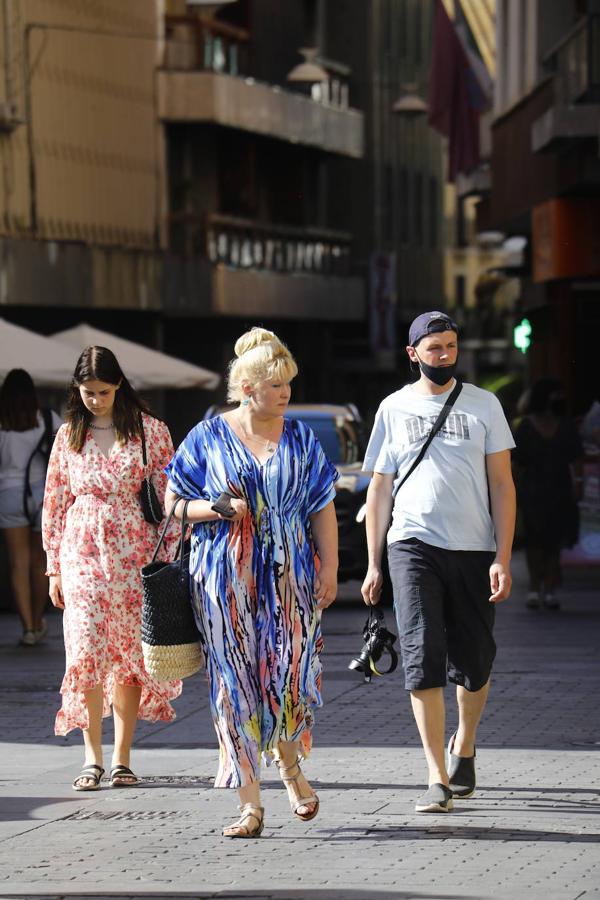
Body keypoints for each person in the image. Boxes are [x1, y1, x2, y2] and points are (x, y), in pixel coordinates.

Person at [164, 326, 339, 838]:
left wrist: (329, 567)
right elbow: (172, 503)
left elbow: (322, 506)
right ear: (247, 388)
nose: (286, 393)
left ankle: (289, 771)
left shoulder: (301, 436)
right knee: (233, 683)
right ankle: (249, 804)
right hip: (223, 580)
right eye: (276, 385)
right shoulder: (207, 437)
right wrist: (213, 508)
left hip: (291, 578)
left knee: (286, 674)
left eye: (289, 383)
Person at [361, 311, 516, 814]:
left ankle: (464, 745)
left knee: (474, 660)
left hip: (473, 548)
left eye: (450, 346)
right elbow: (380, 487)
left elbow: (502, 484)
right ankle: (435, 776)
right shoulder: (393, 408)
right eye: (434, 348)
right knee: (421, 653)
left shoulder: (484, 405)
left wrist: (504, 556)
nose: (444, 355)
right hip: (412, 545)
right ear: (413, 354)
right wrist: (374, 563)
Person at [42, 346, 181, 791]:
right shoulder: (68, 436)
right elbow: (55, 500)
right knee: (84, 647)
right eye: (87, 392)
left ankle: (122, 757)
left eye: (102, 391)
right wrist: (53, 567)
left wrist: (168, 556)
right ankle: (91, 757)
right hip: (80, 549)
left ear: (118, 385)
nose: (95, 400)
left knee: (128, 654)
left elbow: (170, 497)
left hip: (133, 552)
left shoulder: (150, 432)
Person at [0, 369, 61, 646]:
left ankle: (27, 628)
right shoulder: (47, 418)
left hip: (8, 494)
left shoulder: (2, 422)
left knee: (18, 563)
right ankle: (38, 621)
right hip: (41, 494)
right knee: (40, 562)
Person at [513, 378, 583, 611]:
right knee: (535, 542)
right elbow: (517, 464)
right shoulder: (526, 427)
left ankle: (549, 588)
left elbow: (577, 459)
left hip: (558, 491)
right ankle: (536, 587)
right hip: (533, 492)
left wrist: (578, 484)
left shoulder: (565, 426)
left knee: (553, 543)